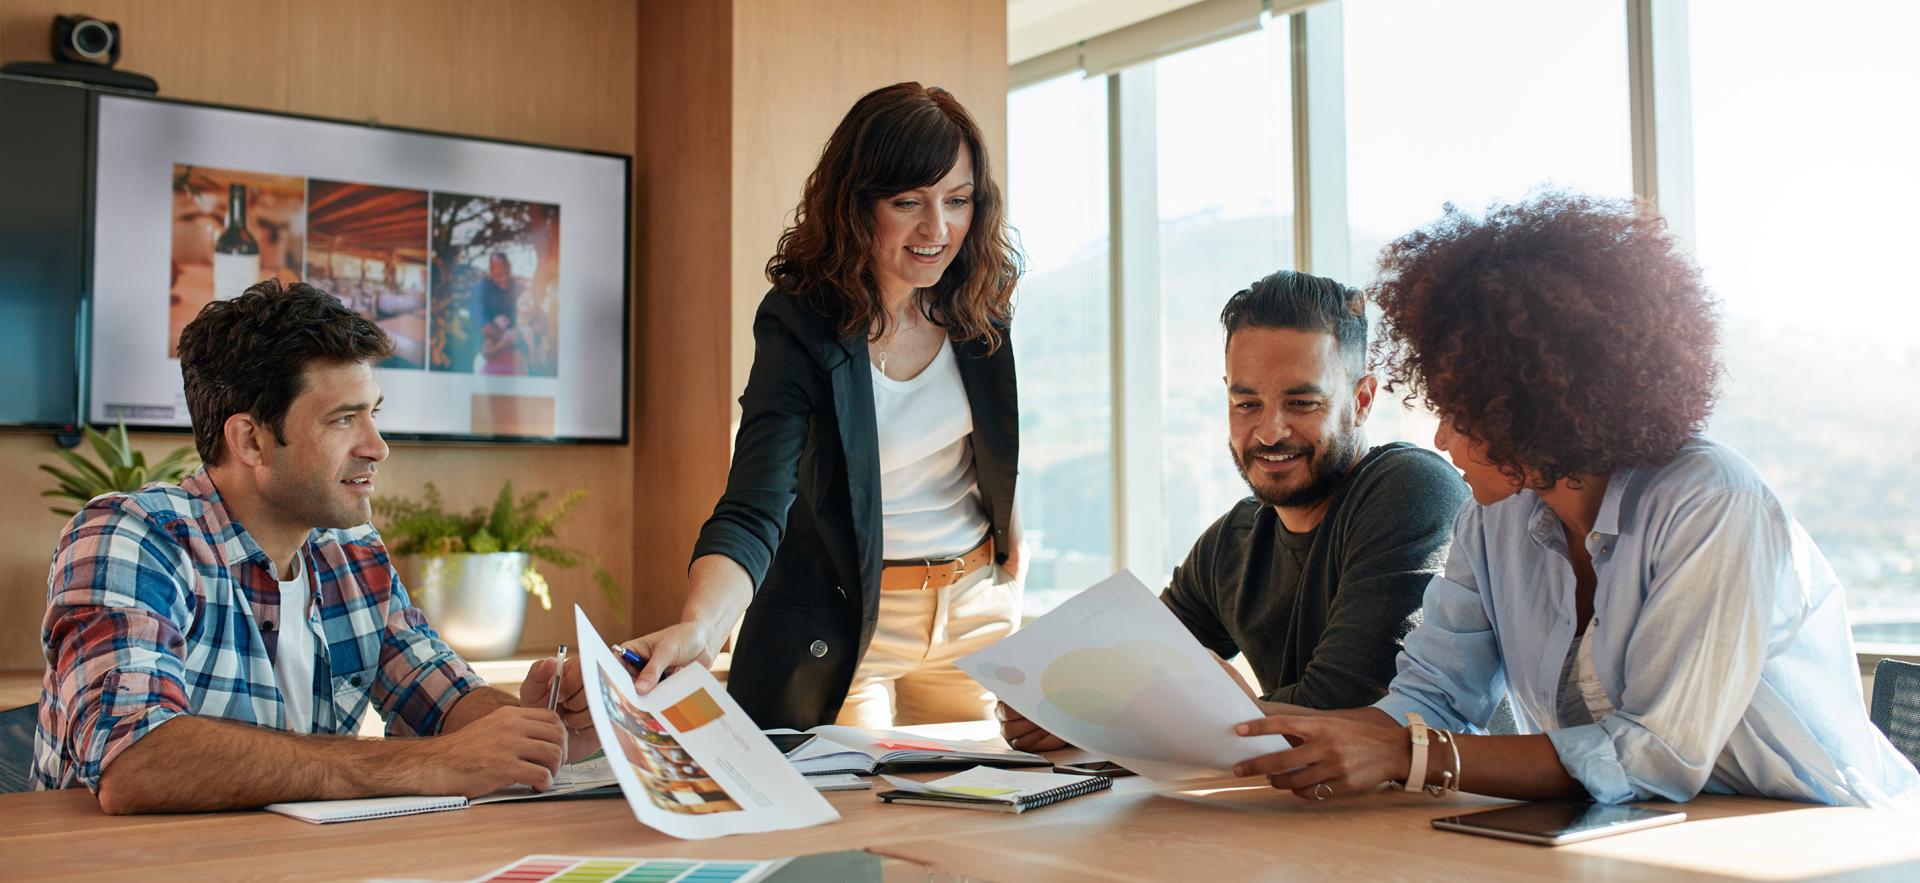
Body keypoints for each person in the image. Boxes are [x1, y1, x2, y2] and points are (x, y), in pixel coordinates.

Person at [1230, 193, 1920, 808]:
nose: (1440, 437)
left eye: (1460, 411)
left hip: (1832, 839)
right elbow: (1431, 696)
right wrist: (1256, 727)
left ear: (1535, 407)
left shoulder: (1713, 505)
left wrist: (1416, 757)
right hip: (1641, 836)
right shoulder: (1491, 521)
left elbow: (1656, 754)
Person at [524, 82, 1025, 733]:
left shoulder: (978, 297)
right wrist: (702, 625)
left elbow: (987, 438)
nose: (939, 228)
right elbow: (756, 501)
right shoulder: (801, 324)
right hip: (853, 627)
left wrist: (1012, 541)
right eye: (909, 202)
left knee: (981, 817)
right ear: (857, 205)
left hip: (975, 611)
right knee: (855, 814)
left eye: (957, 200)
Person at [32, 279, 590, 813]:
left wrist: (542, 726)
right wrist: (426, 764)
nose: (378, 447)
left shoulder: (351, 551)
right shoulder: (133, 538)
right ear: (251, 440)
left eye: (373, 414)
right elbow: (135, 762)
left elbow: (443, 698)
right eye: (345, 419)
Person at [999, 270, 1469, 752]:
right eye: (1246, 403)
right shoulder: (1234, 542)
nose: (1269, 432)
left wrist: (1154, 709)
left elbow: (1340, 713)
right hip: (1314, 816)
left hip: (1442, 813)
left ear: (1362, 399)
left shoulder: (1412, 489)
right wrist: (1056, 713)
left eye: (1302, 402)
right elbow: (1128, 675)